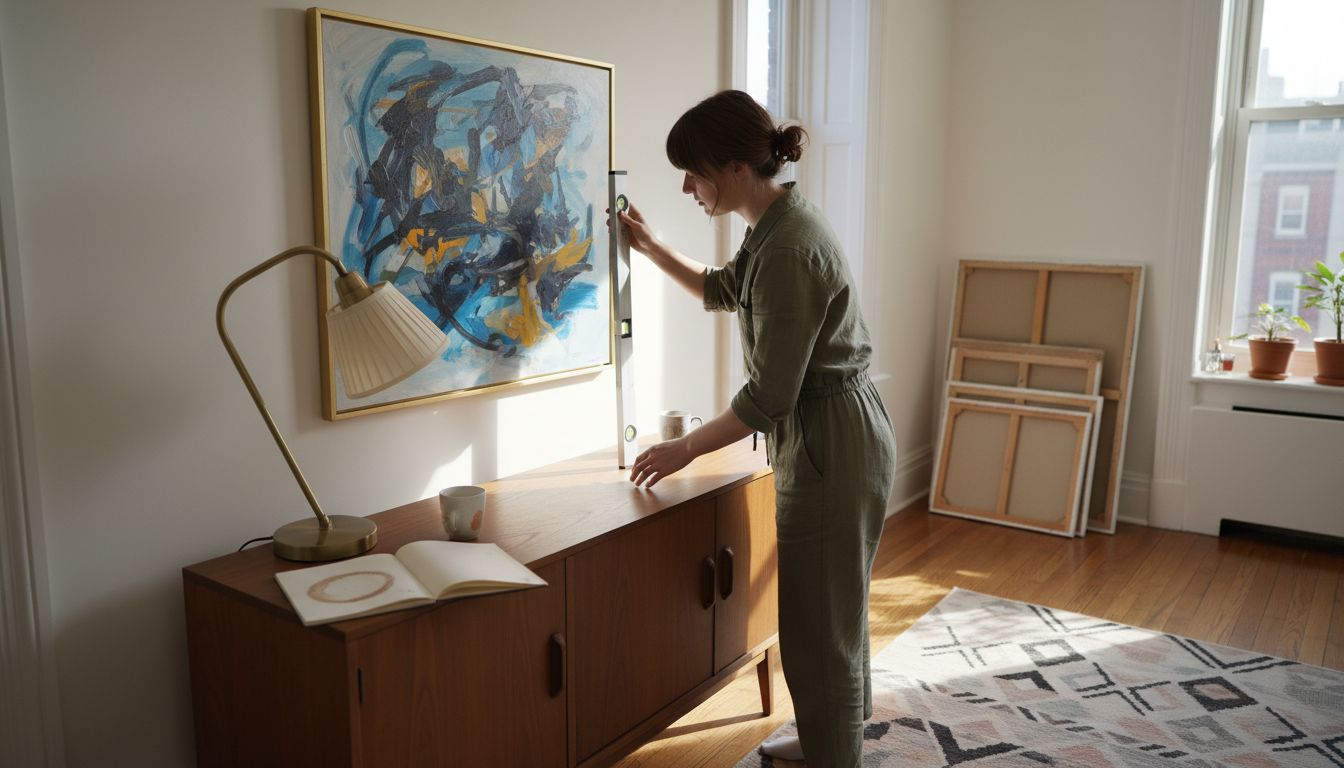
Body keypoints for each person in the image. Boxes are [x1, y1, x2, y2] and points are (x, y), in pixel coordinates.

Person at [622, 90, 897, 768]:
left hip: (832, 438)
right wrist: (653, 247)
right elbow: (723, 290)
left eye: (693, 171)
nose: (687, 186)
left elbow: (769, 396)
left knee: (816, 625)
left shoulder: (787, 248)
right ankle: (836, 737)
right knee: (833, 608)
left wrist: (683, 448)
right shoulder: (776, 225)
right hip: (834, 430)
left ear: (733, 167)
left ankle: (835, 755)